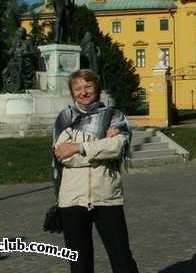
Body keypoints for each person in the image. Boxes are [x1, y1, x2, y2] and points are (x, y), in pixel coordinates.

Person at [53, 69, 138, 273]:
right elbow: (64, 157)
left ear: (96, 88)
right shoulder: (65, 118)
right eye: (78, 88)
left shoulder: (114, 115)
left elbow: (118, 147)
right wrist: (102, 145)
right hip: (73, 200)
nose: (83, 92)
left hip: (107, 197)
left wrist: (79, 147)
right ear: (73, 93)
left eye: (88, 86)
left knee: (122, 260)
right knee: (80, 265)